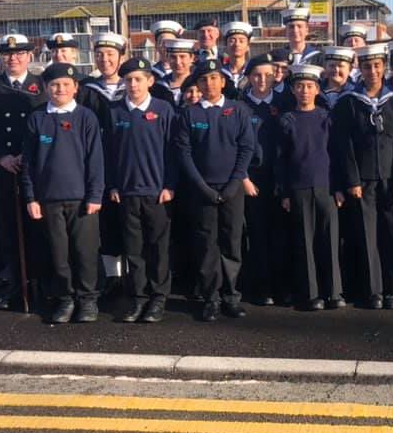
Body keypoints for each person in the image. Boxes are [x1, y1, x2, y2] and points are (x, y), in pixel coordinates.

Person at [21, 63, 104, 323]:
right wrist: (31, 197)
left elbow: (96, 160)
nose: (60, 89)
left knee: (85, 252)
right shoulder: (37, 118)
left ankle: (87, 299)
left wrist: (95, 195)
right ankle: (65, 299)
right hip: (49, 199)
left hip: (81, 199)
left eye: (66, 84)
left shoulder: (86, 117)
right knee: (59, 254)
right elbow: (29, 163)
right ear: (46, 88)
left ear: (76, 88)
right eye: (55, 85)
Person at [175, 59, 255, 321]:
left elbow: (246, 148)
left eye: (213, 78)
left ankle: (231, 297)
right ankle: (211, 298)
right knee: (207, 244)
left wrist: (234, 183)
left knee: (232, 242)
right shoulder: (190, 113)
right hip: (202, 191)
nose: (209, 84)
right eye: (203, 80)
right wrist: (202, 187)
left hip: (232, 188)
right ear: (197, 84)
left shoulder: (238, 110)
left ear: (223, 81)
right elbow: (184, 153)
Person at [332, 44, 393, 309]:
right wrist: (351, 180)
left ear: (384, 67)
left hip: (390, 180)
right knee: (366, 235)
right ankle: (373, 290)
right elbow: (344, 145)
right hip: (363, 180)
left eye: (377, 66)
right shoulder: (350, 103)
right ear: (359, 69)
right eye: (366, 66)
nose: (372, 71)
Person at [106, 58, 177, 323]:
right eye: (129, 80)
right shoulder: (114, 112)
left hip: (157, 193)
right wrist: (113, 183)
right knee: (133, 249)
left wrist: (170, 185)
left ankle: (158, 298)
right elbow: (109, 153)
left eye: (138, 79)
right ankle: (139, 298)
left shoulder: (164, 110)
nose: (133, 84)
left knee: (158, 248)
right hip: (126, 192)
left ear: (150, 81)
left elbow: (173, 151)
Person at [276, 63, 344, 310]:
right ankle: (310, 293)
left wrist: (338, 187)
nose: (304, 90)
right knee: (304, 242)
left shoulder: (326, 118)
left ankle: (333, 291)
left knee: (329, 239)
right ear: (293, 90)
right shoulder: (287, 120)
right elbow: (280, 159)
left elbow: (335, 155)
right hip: (298, 187)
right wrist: (284, 192)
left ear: (317, 89)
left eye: (309, 86)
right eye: (299, 86)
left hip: (325, 186)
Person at [0, 34, 47, 310]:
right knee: (7, 228)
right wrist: (1, 156)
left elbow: (46, 125)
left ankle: (39, 284)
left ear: (29, 56)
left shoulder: (41, 86)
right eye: (8, 54)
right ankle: (15, 285)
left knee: (38, 227)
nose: (14, 58)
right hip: (1, 168)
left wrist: (27, 155)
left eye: (20, 53)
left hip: (33, 168)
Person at [78, 32, 128, 291]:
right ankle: (113, 278)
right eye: (99, 55)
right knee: (108, 224)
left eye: (110, 54)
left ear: (121, 56)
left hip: (132, 167)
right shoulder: (87, 91)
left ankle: (137, 277)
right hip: (101, 167)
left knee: (134, 224)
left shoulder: (134, 86)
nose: (104, 59)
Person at [241, 53, 291, 305]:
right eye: (257, 75)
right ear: (249, 77)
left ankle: (281, 285)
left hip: (281, 178)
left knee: (281, 234)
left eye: (268, 75)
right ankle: (262, 287)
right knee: (257, 234)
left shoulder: (285, 101)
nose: (262, 80)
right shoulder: (239, 104)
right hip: (253, 179)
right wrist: (243, 177)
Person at [158, 38, 196, 107]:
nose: (178, 62)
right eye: (173, 57)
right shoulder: (159, 85)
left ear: (192, 58)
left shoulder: (199, 83)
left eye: (182, 56)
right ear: (167, 58)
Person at [222, 21, 253, 90]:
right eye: (232, 41)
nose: (236, 44)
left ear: (248, 46)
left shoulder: (253, 71)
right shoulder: (220, 72)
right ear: (226, 46)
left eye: (241, 41)